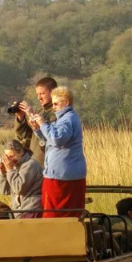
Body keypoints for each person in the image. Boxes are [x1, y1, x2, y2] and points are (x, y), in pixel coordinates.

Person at [30, 86, 87, 218]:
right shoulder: (66, 118)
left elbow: (57, 139)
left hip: (61, 176)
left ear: (66, 103)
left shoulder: (67, 119)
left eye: (56, 104)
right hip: (66, 173)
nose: (53, 107)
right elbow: (50, 139)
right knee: (69, 213)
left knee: (54, 214)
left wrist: (43, 123)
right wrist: (38, 129)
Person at [13, 77, 58, 168]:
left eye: (42, 94)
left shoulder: (59, 112)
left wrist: (31, 114)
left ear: (53, 92)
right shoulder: (39, 111)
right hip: (35, 162)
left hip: (50, 163)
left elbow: (50, 136)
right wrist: (20, 117)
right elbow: (24, 136)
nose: (39, 98)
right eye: (37, 94)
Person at [0, 139, 43, 218]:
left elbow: (19, 188)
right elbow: (4, 191)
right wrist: (2, 173)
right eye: (7, 157)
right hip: (19, 211)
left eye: (11, 156)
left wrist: (9, 170)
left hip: (31, 210)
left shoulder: (31, 165)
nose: (9, 160)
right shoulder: (14, 166)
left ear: (21, 152)